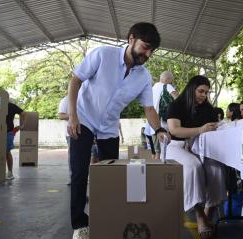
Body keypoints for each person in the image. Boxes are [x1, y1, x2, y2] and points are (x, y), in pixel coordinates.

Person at [67, 22, 169, 239]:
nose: (147, 54)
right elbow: (75, 80)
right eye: (145, 46)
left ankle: (106, 217)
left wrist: (159, 128)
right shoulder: (103, 55)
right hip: (83, 119)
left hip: (109, 127)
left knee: (111, 175)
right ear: (131, 39)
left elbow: (149, 108)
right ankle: (79, 225)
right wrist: (72, 116)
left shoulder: (144, 77)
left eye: (152, 50)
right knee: (79, 172)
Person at [166, 75, 226, 239]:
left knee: (216, 167)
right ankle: (199, 215)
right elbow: (174, 131)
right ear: (192, 89)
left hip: (200, 146)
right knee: (193, 167)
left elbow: (214, 130)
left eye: (206, 92)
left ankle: (208, 212)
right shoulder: (176, 105)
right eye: (201, 91)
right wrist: (200, 130)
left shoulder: (208, 109)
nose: (203, 95)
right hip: (176, 147)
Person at [144, 71, 178, 159]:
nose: (171, 83)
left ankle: (154, 171)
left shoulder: (153, 87)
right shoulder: (167, 86)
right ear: (167, 79)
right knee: (162, 154)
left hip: (151, 123)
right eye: (171, 81)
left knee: (155, 153)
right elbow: (178, 100)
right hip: (161, 123)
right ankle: (161, 171)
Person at [5, 101, 26, 180]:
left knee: (6, 151)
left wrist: (20, 126)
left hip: (9, 132)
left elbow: (24, 114)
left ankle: (10, 173)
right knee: (2, 152)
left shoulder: (11, 106)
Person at [58, 95, 73, 185]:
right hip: (70, 134)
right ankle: (72, 177)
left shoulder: (84, 97)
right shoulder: (65, 100)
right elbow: (61, 115)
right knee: (73, 156)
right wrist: (74, 116)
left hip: (85, 132)